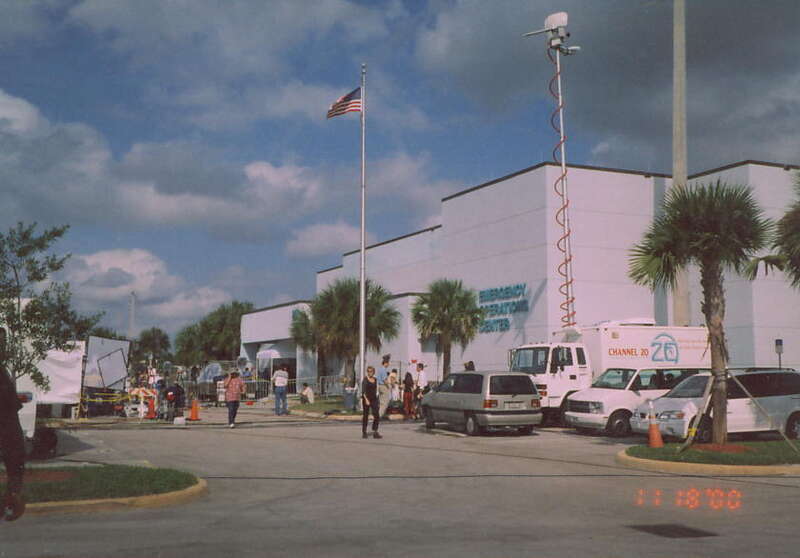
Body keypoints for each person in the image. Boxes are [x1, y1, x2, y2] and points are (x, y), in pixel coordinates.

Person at [0, 363, 26, 521]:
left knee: (14, 464)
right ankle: (11, 501)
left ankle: (14, 501)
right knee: (14, 464)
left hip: (7, 424)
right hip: (8, 423)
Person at [361, 366, 381, 439]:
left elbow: (377, 390)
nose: (370, 373)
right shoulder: (365, 380)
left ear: (373, 372)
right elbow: (363, 391)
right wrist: (366, 399)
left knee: (377, 415)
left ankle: (375, 431)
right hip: (366, 399)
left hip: (374, 399)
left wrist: (378, 400)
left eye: (371, 371)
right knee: (365, 415)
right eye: (368, 371)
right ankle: (364, 432)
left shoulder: (375, 380)